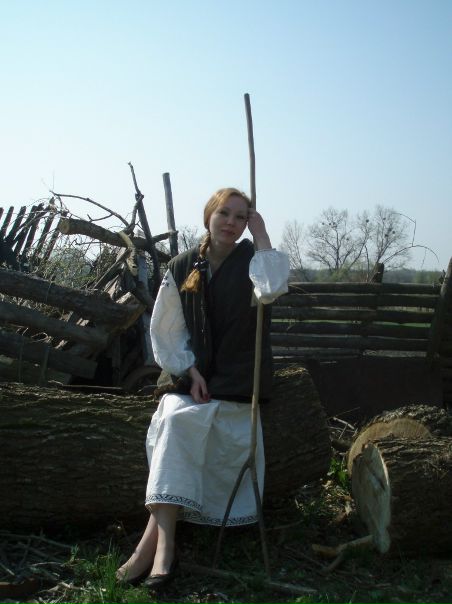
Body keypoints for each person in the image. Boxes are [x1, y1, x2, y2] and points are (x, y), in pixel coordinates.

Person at [116, 187, 289, 589]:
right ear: (209, 215)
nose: (231, 223)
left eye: (241, 217)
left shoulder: (254, 261)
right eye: (224, 213)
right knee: (174, 420)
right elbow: (167, 329)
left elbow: (271, 289)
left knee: (179, 428)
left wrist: (262, 234)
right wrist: (189, 371)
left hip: (237, 381)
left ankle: (151, 549)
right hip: (191, 378)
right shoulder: (182, 265)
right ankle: (162, 550)